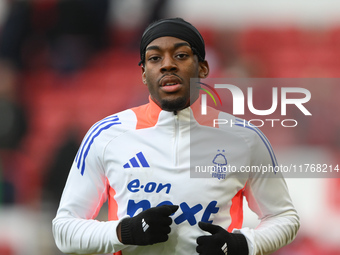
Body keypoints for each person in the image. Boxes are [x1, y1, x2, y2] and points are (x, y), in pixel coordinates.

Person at [52, 18, 300, 255]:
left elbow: (284, 217)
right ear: (143, 73)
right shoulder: (106, 136)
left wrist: (243, 244)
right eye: (154, 58)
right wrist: (124, 232)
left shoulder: (245, 138)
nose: (167, 64)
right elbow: (65, 230)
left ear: (202, 67)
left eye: (181, 55)